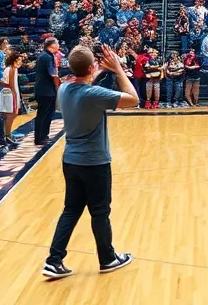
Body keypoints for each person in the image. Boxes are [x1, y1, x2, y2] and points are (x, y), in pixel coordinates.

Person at [43, 45, 138, 279]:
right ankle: (107, 259)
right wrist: (117, 70)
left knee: (71, 210)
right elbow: (133, 99)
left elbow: (83, 81)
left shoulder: (64, 88)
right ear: (91, 67)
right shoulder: (94, 95)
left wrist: (96, 72)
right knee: (100, 211)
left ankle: (54, 260)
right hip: (94, 162)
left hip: (71, 160)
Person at [34, 38, 61, 146]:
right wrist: (58, 87)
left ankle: (42, 136)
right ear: (52, 45)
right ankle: (41, 137)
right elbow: (53, 75)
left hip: (43, 89)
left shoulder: (43, 55)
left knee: (45, 114)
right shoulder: (48, 57)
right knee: (44, 114)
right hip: (46, 91)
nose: (58, 45)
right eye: (57, 43)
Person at [0, 50, 24, 140]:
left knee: (7, 116)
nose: (21, 62)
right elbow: (12, 85)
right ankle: (8, 135)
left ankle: (5, 134)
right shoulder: (12, 69)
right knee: (11, 115)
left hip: (6, 93)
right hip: (10, 94)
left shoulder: (9, 68)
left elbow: (2, 82)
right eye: (19, 60)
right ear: (14, 60)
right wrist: (16, 98)